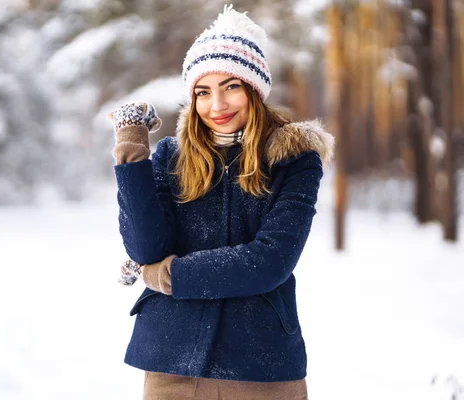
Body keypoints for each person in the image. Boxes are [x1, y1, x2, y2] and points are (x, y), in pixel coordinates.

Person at [109, 4, 334, 399]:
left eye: (231, 86)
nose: (217, 105)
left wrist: (164, 276)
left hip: (261, 366)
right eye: (202, 92)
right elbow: (146, 248)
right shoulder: (170, 156)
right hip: (171, 363)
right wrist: (132, 151)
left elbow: (267, 262)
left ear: (254, 88)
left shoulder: (294, 160)